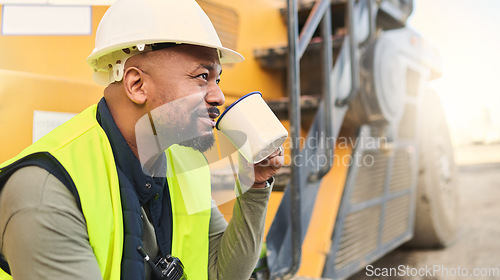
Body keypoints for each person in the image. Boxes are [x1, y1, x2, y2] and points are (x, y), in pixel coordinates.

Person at [0, 0, 284, 279]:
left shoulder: (182, 162)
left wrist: (255, 185)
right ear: (137, 85)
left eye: (217, 80)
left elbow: (222, 273)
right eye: (201, 76)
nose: (218, 96)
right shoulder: (44, 189)